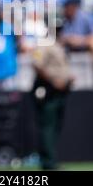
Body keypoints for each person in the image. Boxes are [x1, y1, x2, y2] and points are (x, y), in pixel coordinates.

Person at [31, 22, 73, 170]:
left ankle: (50, 158)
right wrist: (53, 81)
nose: (60, 31)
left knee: (55, 126)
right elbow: (37, 64)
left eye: (61, 28)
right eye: (57, 29)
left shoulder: (59, 44)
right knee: (48, 126)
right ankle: (48, 161)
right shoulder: (44, 44)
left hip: (61, 91)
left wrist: (68, 77)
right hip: (47, 90)